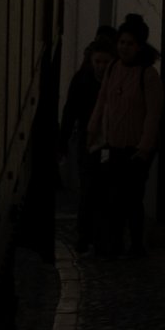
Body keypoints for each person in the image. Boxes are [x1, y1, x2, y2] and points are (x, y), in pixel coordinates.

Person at [84, 14, 163, 252]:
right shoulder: (113, 68)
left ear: (139, 46)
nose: (124, 47)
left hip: (135, 148)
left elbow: (153, 114)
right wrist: (92, 130)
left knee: (132, 197)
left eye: (130, 43)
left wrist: (144, 148)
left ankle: (136, 244)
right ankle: (114, 243)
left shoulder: (148, 75)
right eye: (121, 42)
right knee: (113, 196)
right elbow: (102, 101)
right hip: (113, 144)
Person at [60, 25, 117, 201]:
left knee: (93, 186)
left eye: (105, 62)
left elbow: (70, 110)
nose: (101, 66)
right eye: (98, 62)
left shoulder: (83, 77)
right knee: (93, 185)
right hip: (92, 136)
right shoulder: (85, 79)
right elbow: (70, 110)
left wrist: (63, 140)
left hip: (101, 137)